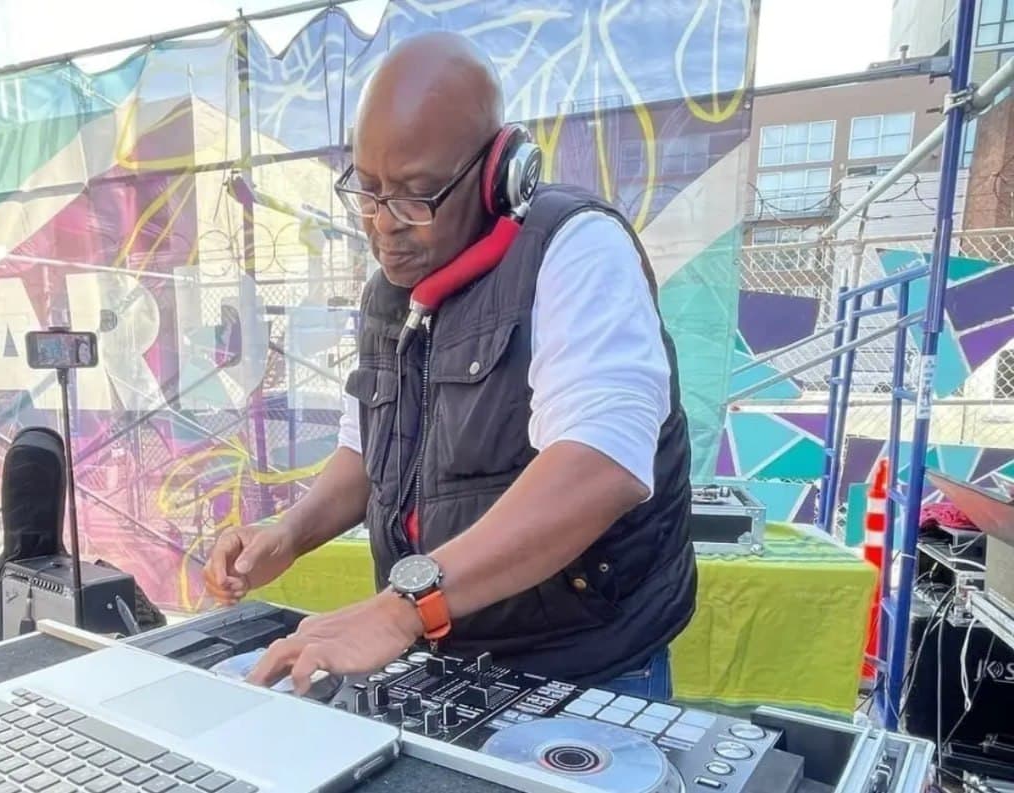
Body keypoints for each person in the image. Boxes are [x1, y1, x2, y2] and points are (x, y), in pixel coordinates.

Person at [203, 31, 696, 699]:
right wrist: (288, 532)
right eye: (368, 191)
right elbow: (366, 449)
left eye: (414, 195)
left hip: (586, 672)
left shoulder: (577, 249)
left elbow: (599, 463)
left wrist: (402, 606)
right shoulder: (388, 294)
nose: (383, 224)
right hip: (447, 664)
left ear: (499, 173)